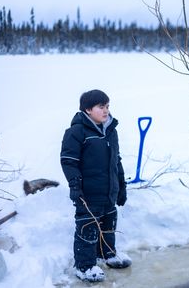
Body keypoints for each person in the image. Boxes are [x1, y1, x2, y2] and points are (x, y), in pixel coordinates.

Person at [60, 89, 131, 282]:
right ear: (88, 109)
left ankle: (107, 254)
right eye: (101, 107)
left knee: (109, 222)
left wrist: (121, 185)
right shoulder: (77, 132)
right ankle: (84, 266)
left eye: (107, 106)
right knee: (88, 227)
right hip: (88, 192)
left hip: (108, 191)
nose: (106, 110)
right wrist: (75, 186)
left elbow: (116, 161)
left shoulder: (110, 131)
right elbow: (68, 161)